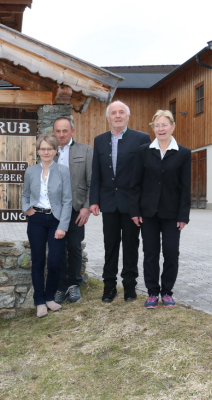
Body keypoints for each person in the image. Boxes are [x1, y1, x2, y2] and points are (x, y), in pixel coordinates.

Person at [89, 101, 151, 303]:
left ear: (128, 116)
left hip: (132, 205)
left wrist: (142, 204)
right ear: (108, 117)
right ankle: (109, 287)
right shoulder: (99, 140)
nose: (117, 116)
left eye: (121, 112)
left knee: (131, 246)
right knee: (111, 245)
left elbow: (146, 174)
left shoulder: (142, 139)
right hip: (109, 203)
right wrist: (94, 200)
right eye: (113, 113)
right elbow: (96, 174)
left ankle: (130, 288)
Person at [130, 110, 191, 309]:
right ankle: (152, 292)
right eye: (157, 125)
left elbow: (186, 186)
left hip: (172, 214)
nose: (161, 128)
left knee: (171, 253)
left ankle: (167, 292)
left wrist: (184, 215)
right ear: (153, 128)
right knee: (150, 253)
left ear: (173, 127)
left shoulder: (183, 153)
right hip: (148, 213)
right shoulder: (143, 151)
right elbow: (135, 183)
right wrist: (135, 211)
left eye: (165, 125)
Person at [22, 134, 72, 318]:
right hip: (36, 220)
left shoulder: (63, 171)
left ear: (55, 151)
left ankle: (50, 297)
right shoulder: (31, 171)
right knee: (38, 261)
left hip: (56, 221)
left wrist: (63, 226)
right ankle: (39, 301)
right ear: (38, 151)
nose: (46, 152)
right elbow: (25, 194)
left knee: (55, 261)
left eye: (49, 148)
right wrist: (26, 209)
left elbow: (67, 200)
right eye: (42, 148)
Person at [53, 116, 93, 304]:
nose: (61, 134)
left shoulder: (85, 151)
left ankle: (74, 284)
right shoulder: (48, 151)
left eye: (65, 131)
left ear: (72, 131)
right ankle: (60, 286)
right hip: (54, 210)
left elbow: (92, 182)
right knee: (57, 249)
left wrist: (86, 207)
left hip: (77, 208)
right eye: (58, 131)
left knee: (74, 247)